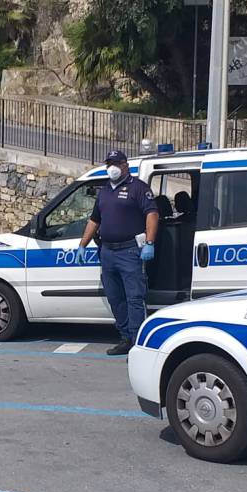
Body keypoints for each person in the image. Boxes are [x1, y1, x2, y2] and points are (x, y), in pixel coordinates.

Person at [76, 150, 158, 355]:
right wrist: (82, 244)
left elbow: (152, 214)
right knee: (115, 297)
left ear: (125, 165)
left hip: (129, 250)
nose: (111, 167)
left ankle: (137, 340)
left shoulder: (138, 188)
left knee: (134, 298)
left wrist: (150, 242)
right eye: (109, 163)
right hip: (108, 252)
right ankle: (125, 338)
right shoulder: (104, 192)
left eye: (115, 163)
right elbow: (95, 220)